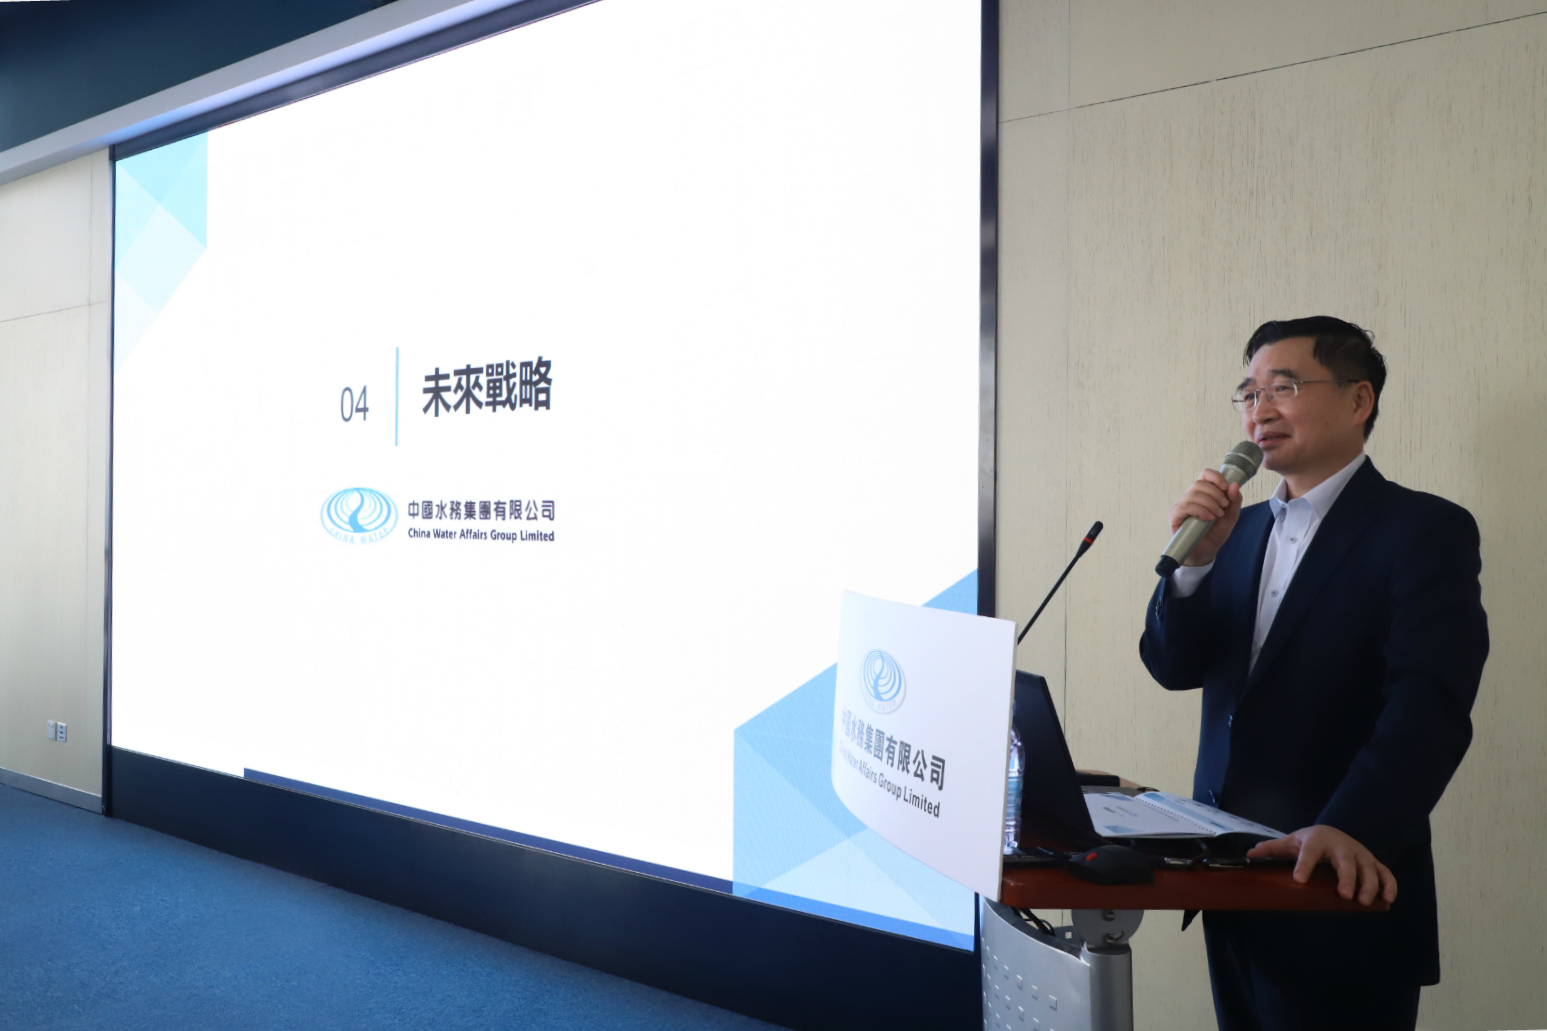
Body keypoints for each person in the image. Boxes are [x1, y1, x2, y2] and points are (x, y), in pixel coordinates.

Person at [1139, 317, 1489, 1031]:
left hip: (1337, 887)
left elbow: (1429, 703)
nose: (1258, 410)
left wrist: (1348, 826)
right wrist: (1195, 565)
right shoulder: (1238, 532)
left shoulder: (1422, 529)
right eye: (1248, 394)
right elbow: (1172, 666)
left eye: (1283, 387)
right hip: (1229, 879)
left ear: (1358, 400)